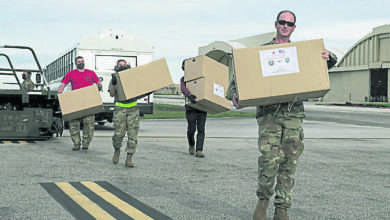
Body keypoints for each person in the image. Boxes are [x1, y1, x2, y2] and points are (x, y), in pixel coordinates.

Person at [227, 10, 337, 220]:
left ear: (294, 28)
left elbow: (327, 63)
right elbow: (240, 77)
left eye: (290, 23)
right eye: (282, 22)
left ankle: (282, 208)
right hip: (270, 117)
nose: (285, 25)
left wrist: (327, 57)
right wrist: (234, 95)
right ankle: (263, 201)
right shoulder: (261, 53)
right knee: (268, 160)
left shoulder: (301, 53)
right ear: (276, 24)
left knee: (289, 162)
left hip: (293, 115)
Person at [58, 56, 102, 151]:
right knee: (74, 124)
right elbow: (63, 84)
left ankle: (86, 143)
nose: (80, 63)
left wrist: (99, 87)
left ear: (84, 62)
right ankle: (76, 143)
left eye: (82, 61)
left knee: (89, 124)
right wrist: (59, 95)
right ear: (75, 63)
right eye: (78, 61)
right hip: (75, 102)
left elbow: (98, 83)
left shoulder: (91, 73)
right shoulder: (71, 73)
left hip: (88, 102)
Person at [108, 59, 140, 167]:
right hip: (120, 109)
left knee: (133, 135)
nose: (122, 66)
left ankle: (129, 158)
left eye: (124, 64)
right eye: (119, 65)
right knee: (118, 134)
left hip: (133, 109)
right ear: (116, 66)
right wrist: (113, 83)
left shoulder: (133, 77)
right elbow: (112, 94)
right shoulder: (114, 78)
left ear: (127, 66)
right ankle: (117, 150)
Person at [180, 59, 207, 158]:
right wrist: (189, 95)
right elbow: (183, 88)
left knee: (201, 129)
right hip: (190, 108)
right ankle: (191, 144)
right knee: (191, 129)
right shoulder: (184, 79)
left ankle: (199, 150)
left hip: (202, 107)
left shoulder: (201, 78)